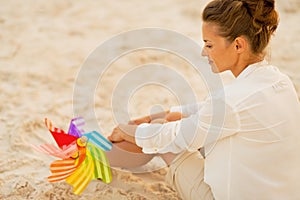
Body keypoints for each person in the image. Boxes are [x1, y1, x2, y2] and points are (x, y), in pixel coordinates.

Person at [107, 0, 300, 199]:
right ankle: (106, 152)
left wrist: (128, 131)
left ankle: (96, 156)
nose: (203, 52)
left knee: (163, 134)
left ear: (238, 45)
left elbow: (174, 136)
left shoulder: (232, 102)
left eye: (209, 44)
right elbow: (209, 112)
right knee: (169, 120)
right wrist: (160, 115)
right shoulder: (280, 82)